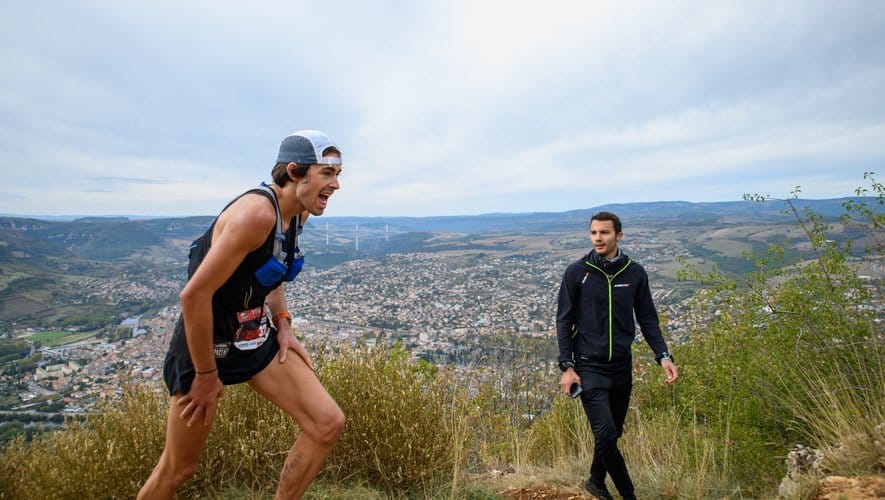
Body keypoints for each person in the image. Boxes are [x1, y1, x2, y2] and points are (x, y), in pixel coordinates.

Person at [138, 130, 346, 499]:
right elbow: (194, 296)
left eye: (338, 174)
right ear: (295, 172)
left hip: (252, 334)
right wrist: (205, 375)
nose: (336, 185)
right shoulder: (256, 215)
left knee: (327, 423)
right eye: (327, 174)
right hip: (206, 342)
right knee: (178, 469)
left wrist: (283, 323)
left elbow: (275, 269)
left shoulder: (297, 215)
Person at [556, 211, 679, 500]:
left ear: (618, 235)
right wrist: (567, 366)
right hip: (588, 365)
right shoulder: (577, 272)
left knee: (613, 434)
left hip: (622, 366)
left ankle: (596, 482)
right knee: (607, 436)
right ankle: (629, 495)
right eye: (594, 233)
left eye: (604, 233)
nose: (598, 238)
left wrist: (663, 355)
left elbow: (648, 318)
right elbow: (563, 320)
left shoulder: (635, 273)